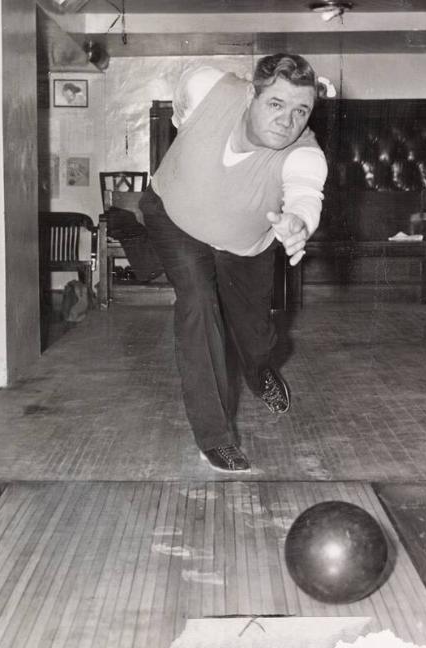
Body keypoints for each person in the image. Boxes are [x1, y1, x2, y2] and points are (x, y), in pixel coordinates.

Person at [140, 53, 328, 473]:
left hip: (245, 245)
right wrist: (185, 117)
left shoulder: (305, 154)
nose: (287, 121)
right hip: (174, 215)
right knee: (197, 301)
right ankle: (215, 436)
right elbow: (185, 78)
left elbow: (305, 192)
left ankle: (260, 372)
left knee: (254, 335)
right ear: (250, 95)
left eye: (301, 110)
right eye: (276, 104)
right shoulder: (210, 86)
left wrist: (299, 222)